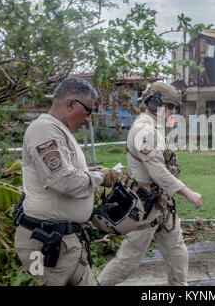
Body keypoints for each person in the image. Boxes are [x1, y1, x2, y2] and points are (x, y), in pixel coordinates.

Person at [14, 77, 118, 286]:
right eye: (88, 111)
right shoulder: (44, 130)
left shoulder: (59, 131)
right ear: (71, 104)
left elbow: (66, 170)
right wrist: (100, 177)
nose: (88, 118)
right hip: (46, 243)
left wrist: (91, 172)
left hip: (63, 242)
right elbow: (63, 180)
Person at [97, 82, 202, 286]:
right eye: (170, 106)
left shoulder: (152, 128)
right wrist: (187, 192)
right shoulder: (145, 131)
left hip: (159, 205)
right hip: (143, 207)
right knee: (128, 261)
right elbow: (158, 171)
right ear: (155, 104)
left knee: (177, 251)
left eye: (175, 108)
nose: (173, 112)